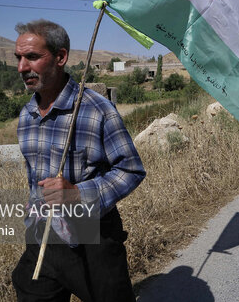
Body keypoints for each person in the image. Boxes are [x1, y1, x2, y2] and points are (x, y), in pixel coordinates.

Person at [11, 19, 146, 302]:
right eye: (19, 58)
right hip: (43, 238)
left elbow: (131, 170)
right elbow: (34, 178)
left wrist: (77, 194)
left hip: (92, 238)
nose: (22, 67)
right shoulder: (27, 115)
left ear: (60, 57)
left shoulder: (97, 110)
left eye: (32, 57)